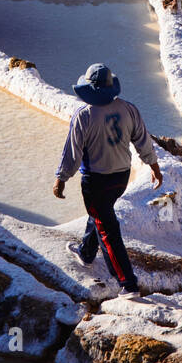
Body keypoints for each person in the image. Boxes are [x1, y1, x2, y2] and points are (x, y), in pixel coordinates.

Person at [54, 63, 162, 295]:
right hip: (121, 178)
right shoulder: (128, 109)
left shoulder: (84, 115)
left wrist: (61, 178)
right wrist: (154, 166)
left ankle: (128, 284)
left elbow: (72, 153)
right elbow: (143, 140)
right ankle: (86, 252)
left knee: (108, 231)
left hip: (96, 181)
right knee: (101, 214)